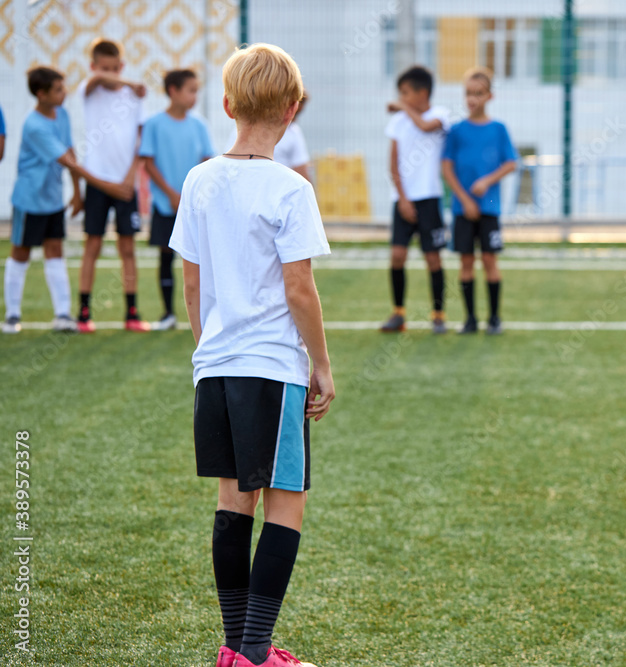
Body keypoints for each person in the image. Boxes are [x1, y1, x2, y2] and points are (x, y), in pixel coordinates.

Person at [169, 43, 332, 667]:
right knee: (285, 502)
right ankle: (256, 653)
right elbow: (299, 288)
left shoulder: (199, 178)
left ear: (229, 104)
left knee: (233, 501)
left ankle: (236, 651)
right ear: (292, 111)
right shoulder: (291, 188)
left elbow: (192, 280)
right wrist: (320, 365)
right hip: (272, 370)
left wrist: (206, 349)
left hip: (216, 366)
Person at [76, 38, 149, 332]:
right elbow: (96, 79)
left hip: (125, 185)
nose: (109, 73)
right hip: (98, 182)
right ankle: (84, 313)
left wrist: (131, 176)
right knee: (92, 244)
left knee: (127, 248)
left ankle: (131, 313)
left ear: (122, 65)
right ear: (94, 67)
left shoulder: (134, 98)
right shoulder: (89, 90)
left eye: (114, 68)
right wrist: (129, 81)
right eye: (103, 68)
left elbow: (140, 140)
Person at [3, 67, 80, 334]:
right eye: (58, 89)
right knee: (21, 253)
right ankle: (12, 315)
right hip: (29, 200)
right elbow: (66, 160)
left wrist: (77, 193)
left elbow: (71, 152)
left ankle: (62, 315)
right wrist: (106, 185)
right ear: (41, 94)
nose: (64, 93)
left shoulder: (64, 114)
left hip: (53, 200)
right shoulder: (33, 124)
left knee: (55, 252)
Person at [441, 67, 517, 335]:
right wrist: (464, 198)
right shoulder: (457, 131)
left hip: (489, 209)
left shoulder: (498, 129)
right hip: (464, 209)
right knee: (465, 263)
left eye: (478, 94)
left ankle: (494, 318)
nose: (472, 99)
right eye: (468, 94)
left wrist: (487, 181)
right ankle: (470, 319)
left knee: (489, 260)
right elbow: (447, 167)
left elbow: (511, 163)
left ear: (489, 96)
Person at [138, 68, 213, 331]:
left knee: (202, 258)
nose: (195, 96)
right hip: (165, 204)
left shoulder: (199, 125)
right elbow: (147, 162)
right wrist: (170, 194)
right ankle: (168, 313)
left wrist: (196, 195)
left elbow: (208, 160)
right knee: (166, 256)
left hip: (195, 206)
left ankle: (207, 315)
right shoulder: (154, 124)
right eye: (191, 90)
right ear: (173, 91)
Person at [379, 65, 452, 334]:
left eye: (406, 93)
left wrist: (401, 108)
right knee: (397, 256)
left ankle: (438, 315)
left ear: (423, 93)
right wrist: (403, 199)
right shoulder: (397, 123)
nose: (401, 98)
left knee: (433, 258)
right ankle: (398, 313)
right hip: (404, 200)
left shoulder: (440, 115)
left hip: (430, 199)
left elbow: (423, 126)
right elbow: (393, 166)